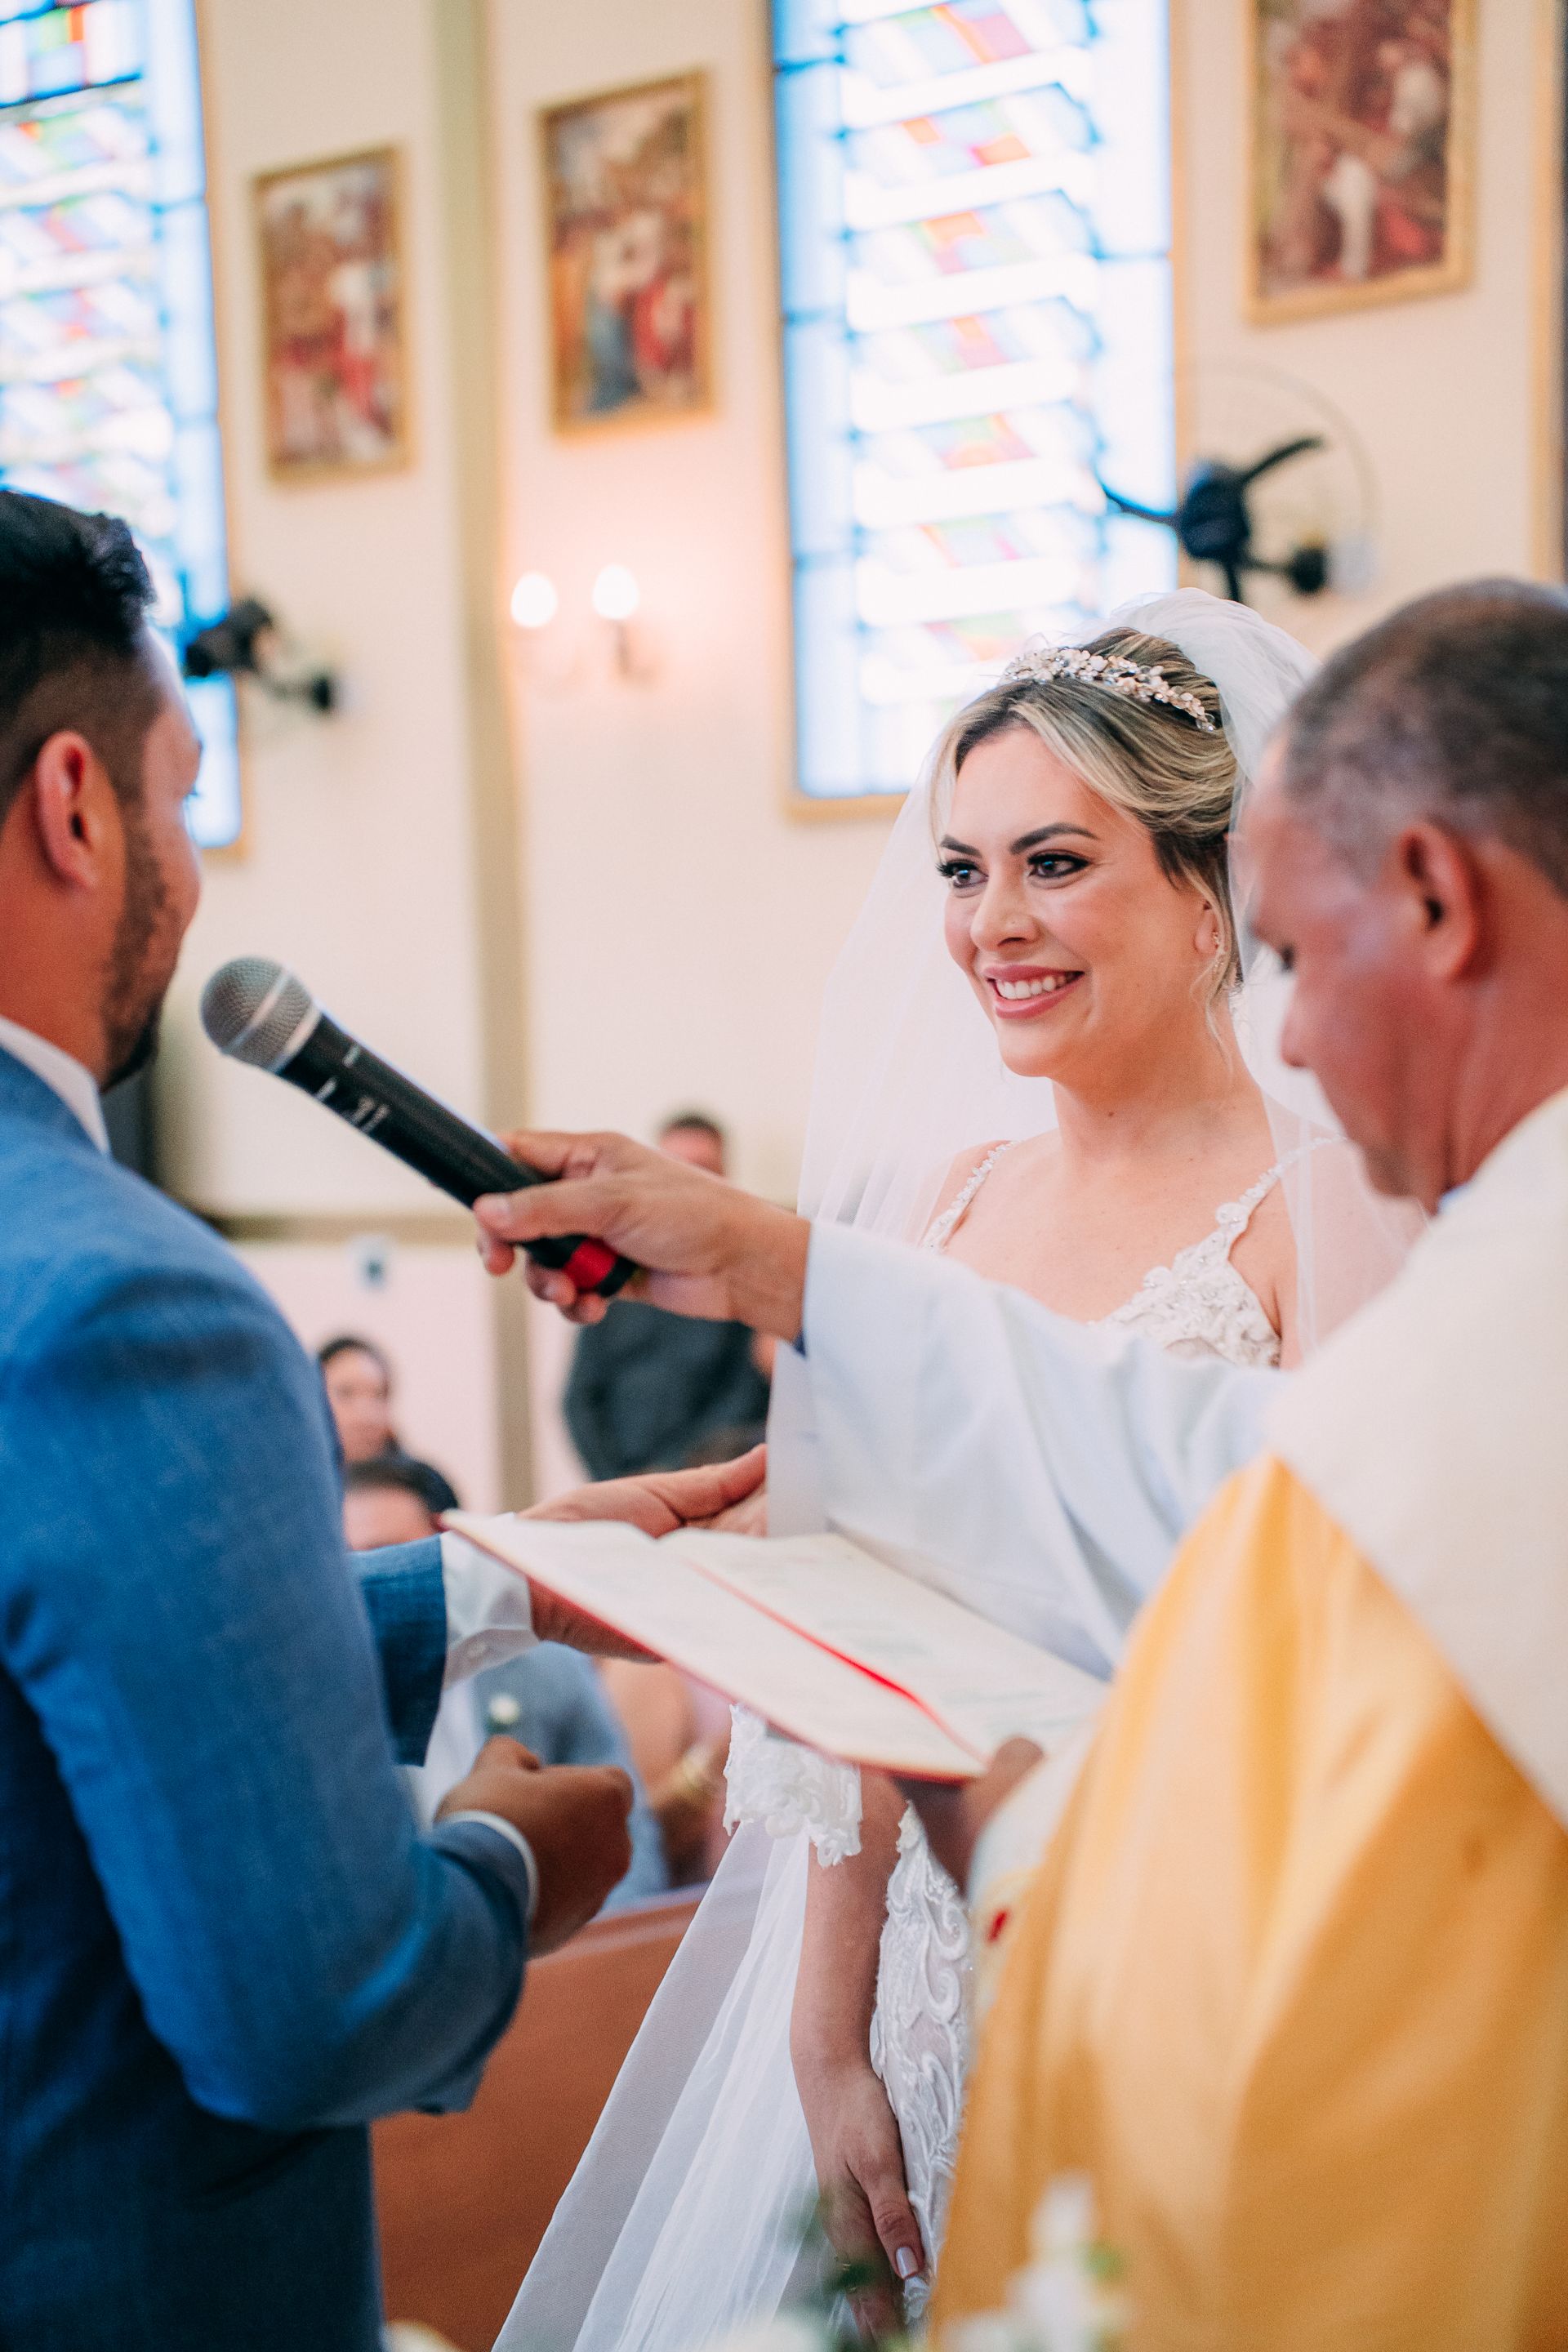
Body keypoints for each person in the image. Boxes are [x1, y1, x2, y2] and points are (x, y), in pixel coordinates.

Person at [474, 580, 1568, 2347]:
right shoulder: (970, 1198)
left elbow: (1271, 1558)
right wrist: (783, 1276)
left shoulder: (1469, 1259)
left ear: (1430, 899)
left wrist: (1009, 1813)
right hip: (1008, 1949)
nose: (1294, 1032)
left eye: (1306, 944)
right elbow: (1206, 1466)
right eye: (962, 869)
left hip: (1223, 2005)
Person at [0, 486, 764, 2352]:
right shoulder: (120, 1299)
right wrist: (512, 1859)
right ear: (77, 803)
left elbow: (64, 1681)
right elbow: (306, 2007)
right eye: (183, 798)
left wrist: (494, 1579)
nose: (184, 865)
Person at [343, 1459, 670, 1910]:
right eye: (352, 1573)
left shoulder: (548, 1669)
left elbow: (627, 1836)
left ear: (450, 1552)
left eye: (392, 1562)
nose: (372, 1599)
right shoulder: (331, 1708)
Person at [563, 1110, 772, 1481]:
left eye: (702, 1169)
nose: (686, 1184)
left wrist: (672, 1472)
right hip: (616, 1485)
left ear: (726, 1180)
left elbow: (744, 1398)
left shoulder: (746, 1277)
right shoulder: (616, 1277)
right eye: (673, 1168)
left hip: (706, 1481)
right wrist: (615, 1482)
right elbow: (580, 1396)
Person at [319, 1330, 461, 1513]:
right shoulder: (299, 1490)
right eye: (346, 1393)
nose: (367, 1416)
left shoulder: (425, 1489)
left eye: (379, 1395)